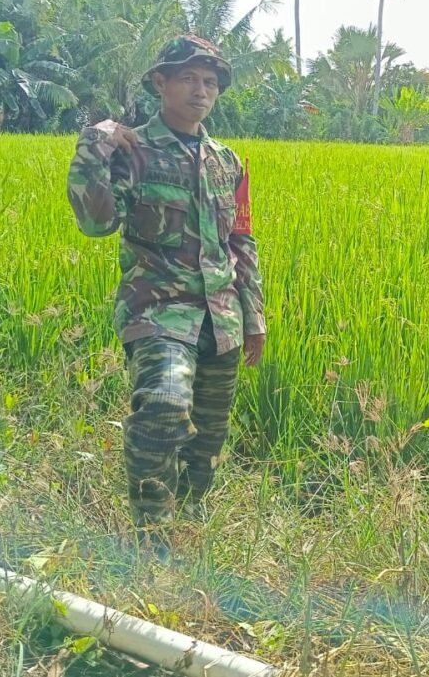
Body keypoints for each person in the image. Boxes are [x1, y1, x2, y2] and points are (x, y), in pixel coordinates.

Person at [66, 35, 267, 545]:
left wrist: (253, 317)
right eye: (188, 78)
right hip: (157, 312)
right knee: (162, 404)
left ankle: (186, 530)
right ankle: (150, 538)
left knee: (207, 440)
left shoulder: (229, 162)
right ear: (161, 82)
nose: (201, 90)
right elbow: (95, 223)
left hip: (220, 317)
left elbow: (240, 239)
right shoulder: (133, 150)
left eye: (210, 82)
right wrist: (94, 142)